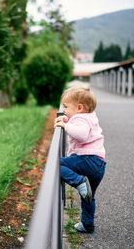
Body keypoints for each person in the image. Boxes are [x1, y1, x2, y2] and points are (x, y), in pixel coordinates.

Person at [54, 84, 106, 233]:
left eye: (66, 107)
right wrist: (68, 120)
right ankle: (87, 224)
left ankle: (78, 181)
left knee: (55, 164)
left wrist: (65, 125)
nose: (63, 110)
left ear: (79, 108)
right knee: (88, 197)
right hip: (99, 164)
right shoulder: (89, 116)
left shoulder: (79, 119)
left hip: (87, 160)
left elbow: (81, 135)